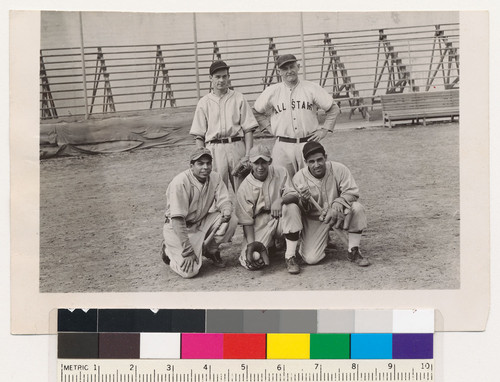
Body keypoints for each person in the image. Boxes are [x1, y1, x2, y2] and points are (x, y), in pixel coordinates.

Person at [253, 54, 341, 177]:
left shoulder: (311, 87)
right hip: (283, 144)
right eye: (285, 69)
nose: (289, 71)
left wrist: (325, 129)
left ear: (298, 67)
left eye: (291, 67)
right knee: (282, 181)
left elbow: (333, 108)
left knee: (311, 181)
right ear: (279, 72)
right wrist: (268, 127)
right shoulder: (272, 91)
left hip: (307, 142)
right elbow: (256, 110)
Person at [161, 147, 238, 278]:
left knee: (232, 220)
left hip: (200, 222)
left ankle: (211, 251)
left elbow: (224, 200)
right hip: (177, 230)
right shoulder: (180, 182)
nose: (205, 167)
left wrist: (226, 210)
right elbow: (177, 221)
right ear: (191, 165)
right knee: (190, 272)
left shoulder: (215, 177)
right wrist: (187, 250)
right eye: (200, 163)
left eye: (208, 163)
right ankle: (167, 251)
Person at [292, 141, 370, 267]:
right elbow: (302, 210)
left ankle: (354, 250)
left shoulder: (339, 169)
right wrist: (304, 201)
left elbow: (352, 192)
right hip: (315, 219)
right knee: (311, 259)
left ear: (326, 157)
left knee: (357, 208)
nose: (316, 165)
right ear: (306, 162)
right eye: (311, 162)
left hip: (338, 212)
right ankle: (320, 242)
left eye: (319, 160)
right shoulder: (299, 178)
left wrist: (337, 202)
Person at [190, 60, 258, 192]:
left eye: (224, 76)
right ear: (211, 78)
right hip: (214, 149)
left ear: (228, 77)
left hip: (236, 146)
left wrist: (248, 155)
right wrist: (202, 157)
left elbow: (248, 129)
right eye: (217, 77)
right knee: (217, 190)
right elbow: (199, 135)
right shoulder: (204, 102)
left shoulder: (239, 98)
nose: (221, 80)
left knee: (244, 189)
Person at [235, 144, 303, 274]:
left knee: (292, 208)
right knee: (251, 262)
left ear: (270, 161)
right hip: (259, 222)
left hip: (280, 216)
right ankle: (270, 245)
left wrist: (280, 200)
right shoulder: (244, 187)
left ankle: (290, 256)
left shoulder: (281, 171)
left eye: (264, 162)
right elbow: (246, 220)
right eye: (256, 163)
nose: (260, 167)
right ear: (250, 163)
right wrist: (251, 244)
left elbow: (294, 194)